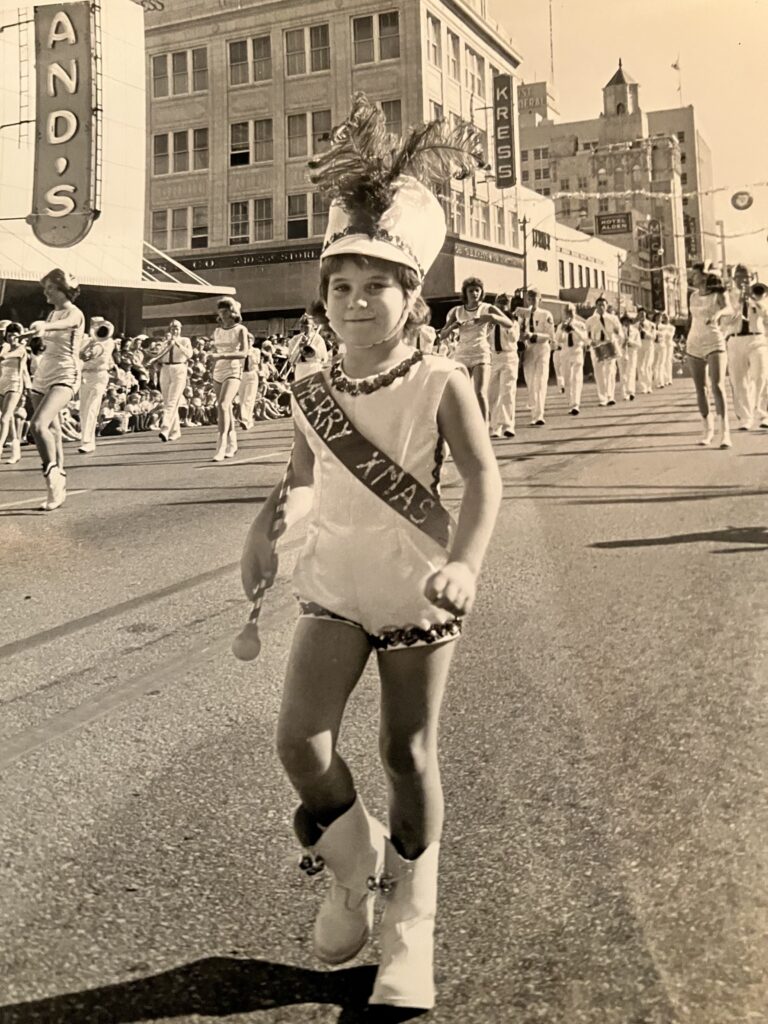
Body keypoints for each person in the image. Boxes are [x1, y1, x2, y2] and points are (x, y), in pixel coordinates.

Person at [240, 95, 500, 1012]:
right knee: (301, 747)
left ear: (409, 294)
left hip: (418, 592)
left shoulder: (440, 379)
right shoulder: (309, 386)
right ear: (325, 297)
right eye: (341, 287)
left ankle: (408, 929)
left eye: (376, 286)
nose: (356, 302)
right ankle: (358, 872)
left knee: (406, 751)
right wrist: (264, 532)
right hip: (333, 587)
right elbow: (299, 472)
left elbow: (483, 480)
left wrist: (463, 563)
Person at [26, 268, 86, 510]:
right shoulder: (52, 314)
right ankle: (58, 485)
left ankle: (52, 477)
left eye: (50, 288)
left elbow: (67, 324)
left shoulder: (75, 313)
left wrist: (44, 326)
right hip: (42, 374)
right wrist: (36, 334)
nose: (45, 292)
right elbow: (48, 336)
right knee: (53, 430)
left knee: (37, 425)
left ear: (64, 290)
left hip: (65, 374)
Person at [437, 277, 512, 422]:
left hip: (481, 354)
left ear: (481, 292)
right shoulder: (457, 311)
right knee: (463, 393)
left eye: (477, 290)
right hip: (462, 355)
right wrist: (453, 327)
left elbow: (508, 323)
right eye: (471, 291)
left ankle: (484, 427)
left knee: (480, 393)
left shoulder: (487, 308)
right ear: (465, 293)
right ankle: (466, 425)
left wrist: (491, 317)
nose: (475, 293)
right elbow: (442, 335)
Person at [686, 269, 733, 447]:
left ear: (704, 277)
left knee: (718, 386)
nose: (693, 277)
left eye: (696, 274)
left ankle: (725, 432)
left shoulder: (718, 294)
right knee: (701, 389)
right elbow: (692, 319)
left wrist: (718, 314)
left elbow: (729, 308)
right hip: (694, 343)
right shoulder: (692, 296)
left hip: (714, 341)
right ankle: (707, 429)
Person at [724, 265, 768, 431]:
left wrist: (754, 302)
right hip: (735, 340)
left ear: (753, 278)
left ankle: (764, 414)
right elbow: (726, 321)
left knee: (762, 376)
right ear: (735, 279)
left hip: (757, 338)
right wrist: (739, 305)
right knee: (739, 380)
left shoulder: (761, 293)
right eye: (741, 277)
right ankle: (745, 418)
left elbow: (767, 315)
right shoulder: (728, 296)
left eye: (748, 277)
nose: (745, 281)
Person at [211, 296, 249, 461]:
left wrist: (222, 355)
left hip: (233, 369)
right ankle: (233, 443)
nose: (223, 314)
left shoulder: (240, 329)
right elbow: (215, 353)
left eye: (226, 311)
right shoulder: (217, 331)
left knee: (223, 404)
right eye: (221, 311)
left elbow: (244, 353)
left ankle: (221, 445)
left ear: (233, 312)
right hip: (218, 371)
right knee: (224, 409)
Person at [146, 319, 193, 442]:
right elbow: (160, 357)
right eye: (172, 328)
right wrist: (154, 361)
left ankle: (165, 427)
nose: (174, 330)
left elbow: (189, 354)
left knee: (173, 400)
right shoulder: (165, 343)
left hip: (179, 368)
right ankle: (175, 431)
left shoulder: (185, 340)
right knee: (168, 402)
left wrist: (177, 344)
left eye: (177, 328)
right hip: (165, 369)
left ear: (180, 329)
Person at [516, 285, 555, 425]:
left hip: (542, 348)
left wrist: (533, 335)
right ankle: (533, 406)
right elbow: (516, 332)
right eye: (529, 298)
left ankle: (538, 415)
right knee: (530, 381)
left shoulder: (546, 314)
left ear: (540, 299)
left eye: (535, 298)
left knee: (541, 381)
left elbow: (550, 336)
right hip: (528, 350)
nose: (532, 301)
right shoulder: (521, 314)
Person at [78, 318, 116, 454]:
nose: (97, 327)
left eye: (99, 325)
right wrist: (88, 341)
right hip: (85, 376)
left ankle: (87, 442)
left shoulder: (108, 342)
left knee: (92, 407)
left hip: (99, 375)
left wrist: (92, 342)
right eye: (94, 325)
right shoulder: (88, 340)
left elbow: (88, 355)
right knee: (83, 409)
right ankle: (87, 440)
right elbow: (79, 354)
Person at [487, 292, 520, 437]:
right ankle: (494, 426)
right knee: (492, 393)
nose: (502, 306)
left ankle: (508, 425)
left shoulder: (513, 321)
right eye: (499, 303)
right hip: (493, 357)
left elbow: (514, 338)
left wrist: (508, 324)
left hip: (508, 356)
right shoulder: (490, 322)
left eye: (505, 303)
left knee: (507, 391)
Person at [0, 322, 30, 464]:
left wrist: (27, 389)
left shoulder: (21, 349)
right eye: (9, 335)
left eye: (14, 335)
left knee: (4, 419)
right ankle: (15, 451)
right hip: (2, 384)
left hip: (15, 384)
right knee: (9, 419)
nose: (11, 338)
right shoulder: (5, 347)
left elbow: (23, 371)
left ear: (19, 336)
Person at [585, 295, 622, 407]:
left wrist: (617, 339)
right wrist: (590, 342)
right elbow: (586, 335)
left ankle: (610, 396)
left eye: (603, 305)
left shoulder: (613, 318)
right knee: (599, 372)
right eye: (599, 305)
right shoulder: (590, 320)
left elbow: (620, 333)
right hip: (597, 346)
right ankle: (602, 397)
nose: (601, 307)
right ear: (596, 306)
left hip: (609, 344)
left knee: (610, 371)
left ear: (606, 306)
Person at [555, 304, 589, 415]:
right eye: (567, 311)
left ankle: (576, 404)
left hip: (576, 352)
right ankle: (570, 403)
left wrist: (574, 330)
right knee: (567, 379)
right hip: (565, 353)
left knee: (576, 378)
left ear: (575, 312)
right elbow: (558, 340)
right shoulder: (561, 326)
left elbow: (585, 339)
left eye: (571, 311)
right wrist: (563, 330)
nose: (569, 313)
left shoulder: (580, 325)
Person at [618, 313, 641, 401]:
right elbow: (616, 342)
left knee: (631, 372)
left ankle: (631, 391)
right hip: (622, 353)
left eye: (627, 321)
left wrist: (630, 342)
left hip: (632, 353)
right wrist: (623, 343)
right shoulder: (619, 331)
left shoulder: (635, 331)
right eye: (624, 322)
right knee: (623, 374)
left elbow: (639, 344)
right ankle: (624, 393)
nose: (626, 323)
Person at [634, 307, 657, 394]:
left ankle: (648, 386)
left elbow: (653, 337)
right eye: (640, 314)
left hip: (648, 346)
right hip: (639, 346)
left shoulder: (651, 325)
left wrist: (644, 332)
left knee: (648, 366)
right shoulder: (634, 326)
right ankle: (642, 386)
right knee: (640, 366)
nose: (642, 316)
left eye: (643, 314)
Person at [654, 312, 676, 389]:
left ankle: (668, 378)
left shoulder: (671, 327)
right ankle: (662, 378)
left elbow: (670, 335)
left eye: (666, 317)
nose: (665, 318)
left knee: (668, 361)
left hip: (668, 344)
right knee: (661, 362)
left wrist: (662, 333)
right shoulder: (660, 326)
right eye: (664, 317)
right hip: (662, 344)